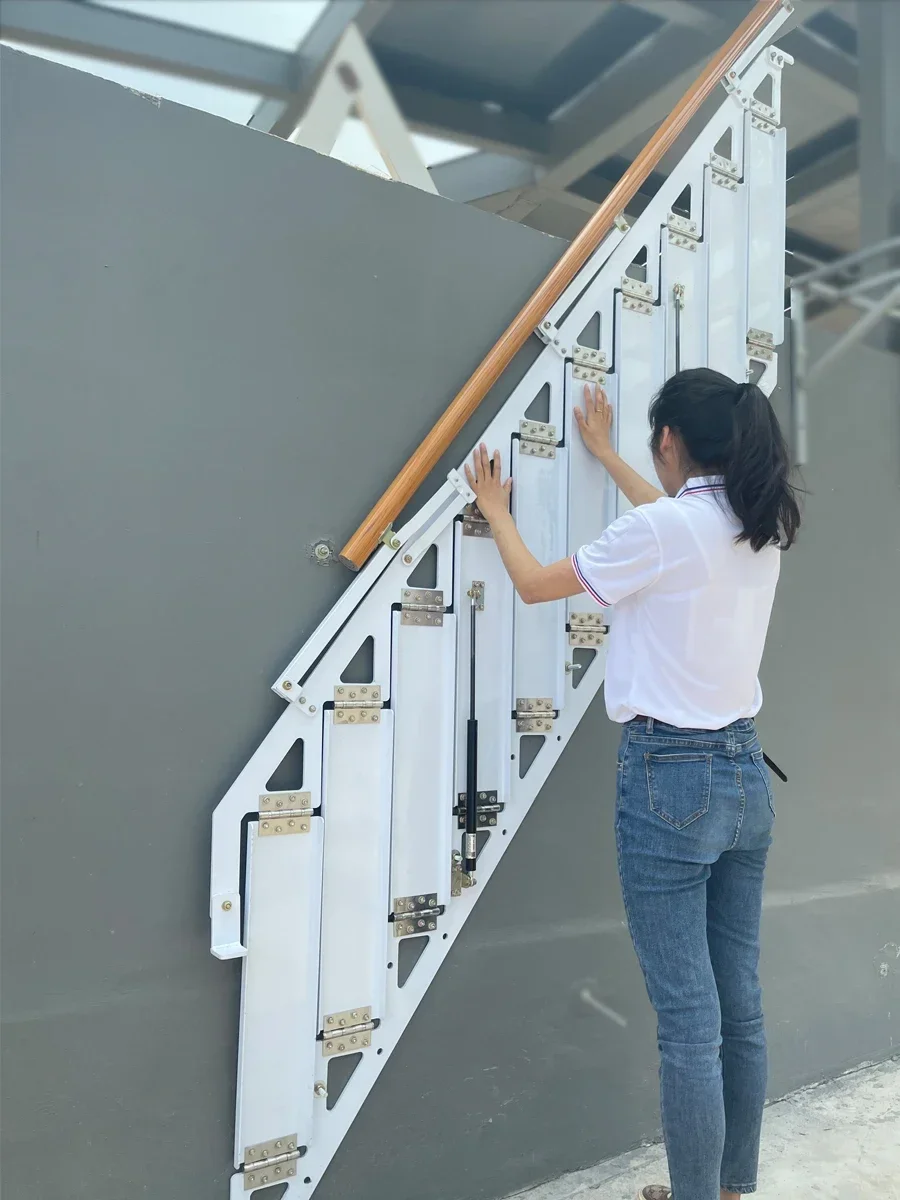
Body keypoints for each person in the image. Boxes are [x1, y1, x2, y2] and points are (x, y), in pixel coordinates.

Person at [464, 367, 801, 1200]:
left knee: (690, 1022)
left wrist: (498, 512)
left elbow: (538, 584)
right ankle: (730, 1188)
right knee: (739, 1007)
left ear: (671, 442)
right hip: (744, 778)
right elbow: (665, 519)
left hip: (670, 779)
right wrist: (611, 454)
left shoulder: (668, 529)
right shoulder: (755, 523)